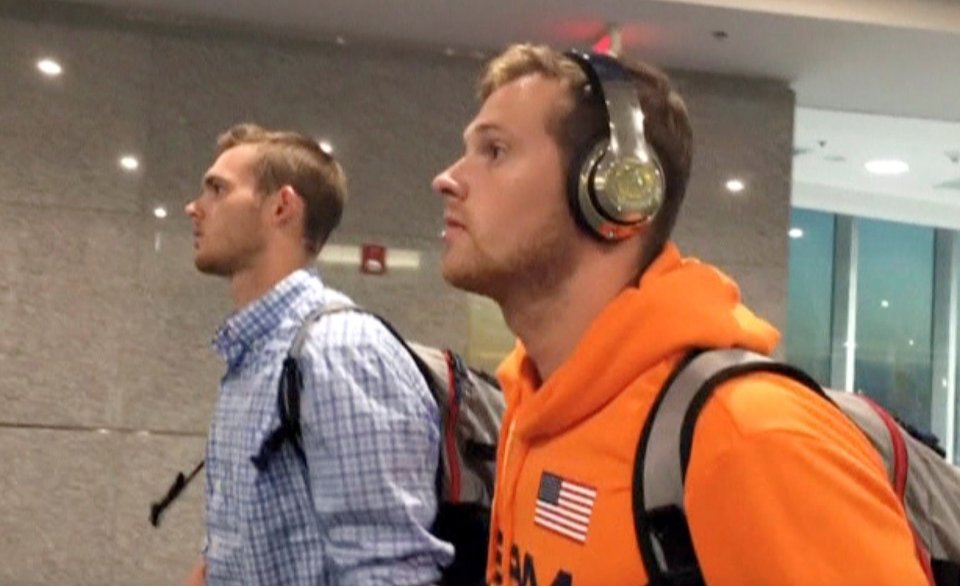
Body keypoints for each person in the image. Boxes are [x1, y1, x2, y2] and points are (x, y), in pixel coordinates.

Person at [431, 44, 927, 585]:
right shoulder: (532, 407)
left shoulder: (750, 435)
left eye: (495, 150)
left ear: (616, 191)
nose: (448, 178)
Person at [183, 123, 452, 585]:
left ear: (282, 206)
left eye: (217, 189)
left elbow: (387, 572)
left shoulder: (340, 350)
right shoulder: (256, 354)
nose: (194, 207)